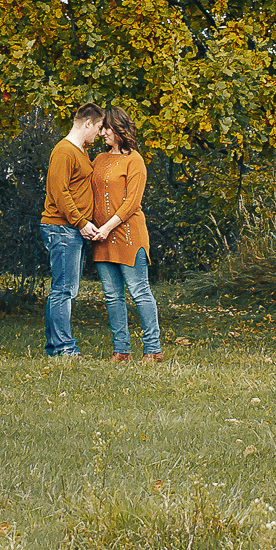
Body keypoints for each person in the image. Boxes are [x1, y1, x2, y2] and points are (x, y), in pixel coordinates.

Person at [89, 106, 161, 362]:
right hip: (100, 239)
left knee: (139, 291)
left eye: (107, 128)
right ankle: (121, 350)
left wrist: (107, 227)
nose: (103, 133)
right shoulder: (98, 159)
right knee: (111, 295)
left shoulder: (135, 160)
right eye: (101, 128)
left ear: (119, 128)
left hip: (129, 237)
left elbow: (132, 202)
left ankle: (153, 350)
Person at [40, 103, 106, 358]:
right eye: (99, 128)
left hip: (71, 229)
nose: (100, 134)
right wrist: (80, 222)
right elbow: (60, 193)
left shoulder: (81, 151)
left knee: (64, 289)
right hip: (62, 228)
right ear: (87, 123)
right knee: (64, 290)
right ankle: (64, 348)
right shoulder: (64, 152)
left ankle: (55, 347)